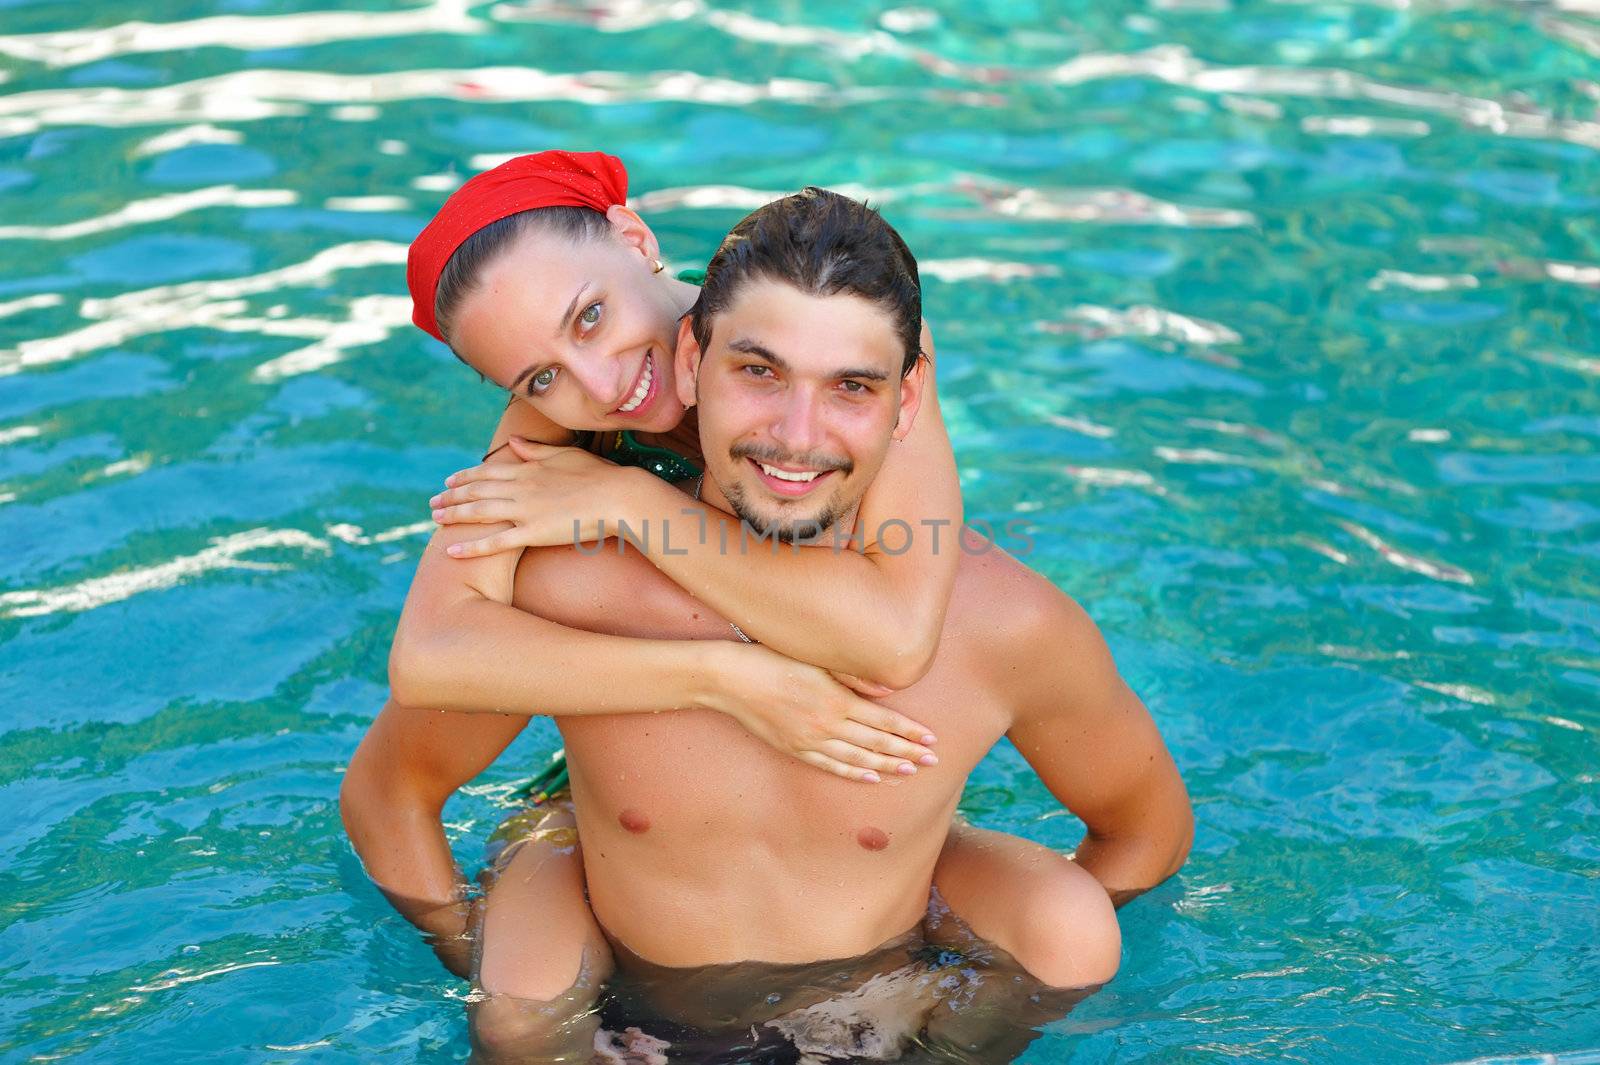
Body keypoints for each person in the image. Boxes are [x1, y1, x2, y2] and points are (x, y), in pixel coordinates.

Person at [419, 187, 1194, 1060]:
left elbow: (901, 645)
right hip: (617, 971)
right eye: (756, 371)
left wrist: (940, 974)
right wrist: (474, 951)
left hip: (872, 993)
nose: (798, 432)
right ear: (694, 362)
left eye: (851, 387)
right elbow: (420, 694)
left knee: (1069, 924)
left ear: (904, 399)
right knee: (521, 991)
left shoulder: (996, 617)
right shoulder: (565, 554)